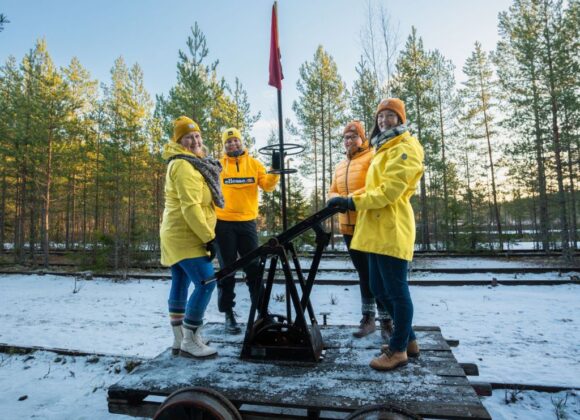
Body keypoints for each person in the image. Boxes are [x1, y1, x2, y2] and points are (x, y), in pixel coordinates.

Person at [327, 98, 424, 371]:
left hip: (391, 227)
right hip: (375, 228)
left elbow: (389, 191)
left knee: (396, 291)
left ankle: (397, 351)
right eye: (381, 117)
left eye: (390, 116)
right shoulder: (385, 146)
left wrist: (350, 202)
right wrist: (346, 197)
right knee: (380, 288)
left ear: (400, 119)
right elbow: (373, 187)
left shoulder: (405, 148)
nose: (384, 121)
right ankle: (408, 341)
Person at [160, 116, 224, 358]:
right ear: (179, 141)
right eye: (188, 137)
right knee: (206, 282)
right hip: (186, 234)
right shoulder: (184, 165)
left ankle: (180, 339)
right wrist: (209, 237)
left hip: (177, 232)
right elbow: (191, 207)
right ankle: (190, 340)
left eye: (197, 135)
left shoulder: (190, 162)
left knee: (180, 281)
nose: (195, 140)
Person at [328, 121, 393, 339]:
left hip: (367, 222)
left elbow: (374, 186)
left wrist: (348, 200)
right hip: (347, 227)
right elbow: (332, 190)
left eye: (354, 136)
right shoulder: (339, 165)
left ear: (363, 138)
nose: (349, 140)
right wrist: (335, 199)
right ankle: (368, 318)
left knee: (378, 275)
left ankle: (387, 320)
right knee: (363, 273)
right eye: (346, 137)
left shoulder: (372, 157)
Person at [215, 127, 280, 334]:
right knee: (228, 270)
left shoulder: (254, 164)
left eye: (235, 141)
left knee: (254, 268)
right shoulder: (218, 166)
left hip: (248, 223)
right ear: (224, 146)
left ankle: (262, 311)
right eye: (228, 142)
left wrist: (275, 170)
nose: (232, 144)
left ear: (242, 143)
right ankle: (228, 314)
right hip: (223, 224)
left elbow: (268, 185)